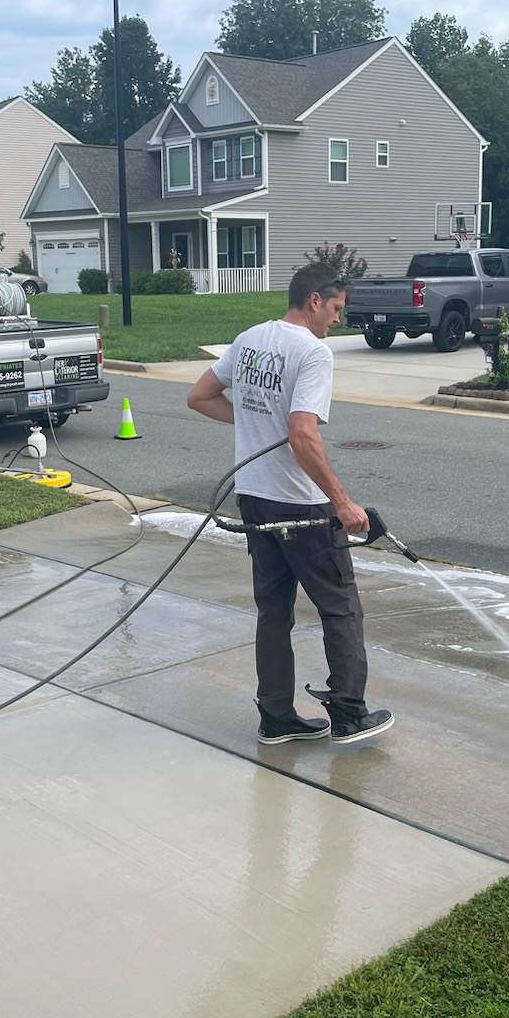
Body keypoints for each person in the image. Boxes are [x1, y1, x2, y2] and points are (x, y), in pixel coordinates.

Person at [187, 263, 394, 746]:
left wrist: (257, 426)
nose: (338, 320)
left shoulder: (250, 339)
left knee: (273, 610)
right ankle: (348, 712)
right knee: (340, 607)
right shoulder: (313, 353)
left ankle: (276, 715)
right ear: (316, 300)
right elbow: (303, 434)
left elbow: (200, 397)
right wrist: (341, 502)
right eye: (337, 308)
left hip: (254, 498)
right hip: (299, 504)